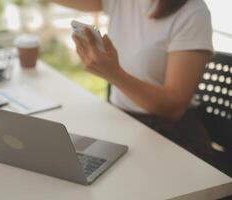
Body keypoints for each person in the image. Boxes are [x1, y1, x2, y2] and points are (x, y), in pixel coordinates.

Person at [52, 0, 214, 161]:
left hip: (171, 136)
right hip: (123, 123)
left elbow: (173, 106)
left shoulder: (193, 12)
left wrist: (114, 75)